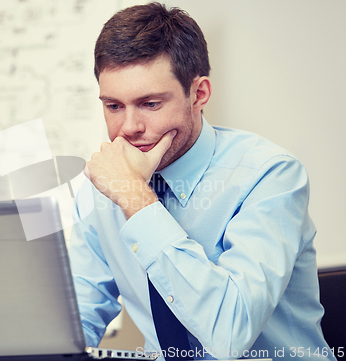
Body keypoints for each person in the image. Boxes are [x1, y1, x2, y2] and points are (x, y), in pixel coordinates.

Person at [68, 2, 334, 361]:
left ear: (199, 94)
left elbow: (229, 333)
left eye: (149, 103)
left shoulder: (271, 175)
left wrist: (134, 196)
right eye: (113, 106)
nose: (129, 128)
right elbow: (76, 320)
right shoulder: (103, 184)